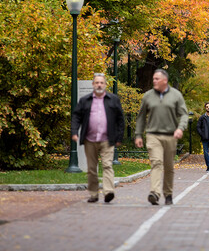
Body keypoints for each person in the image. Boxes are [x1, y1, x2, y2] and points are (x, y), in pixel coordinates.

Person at [135, 69, 189, 206]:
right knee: (156, 162)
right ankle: (154, 193)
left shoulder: (176, 95)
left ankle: (168, 194)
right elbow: (141, 117)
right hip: (153, 135)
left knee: (169, 167)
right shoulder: (148, 96)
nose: (154, 81)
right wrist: (138, 134)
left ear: (165, 80)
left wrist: (180, 128)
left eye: (157, 79)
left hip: (171, 136)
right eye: (153, 78)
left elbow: (184, 114)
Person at [71, 73, 125, 203]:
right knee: (91, 168)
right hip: (90, 139)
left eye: (101, 82)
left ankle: (108, 192)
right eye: (97, 83)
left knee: (107, 165)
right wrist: (74, 132)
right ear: (93, 85)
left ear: (105, 85)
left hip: (107, 139)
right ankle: (94, 194)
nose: (99, 85)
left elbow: (120, 119)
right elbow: (76, 116)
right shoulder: (85, 100)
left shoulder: (113, 99)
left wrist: (119, 137)